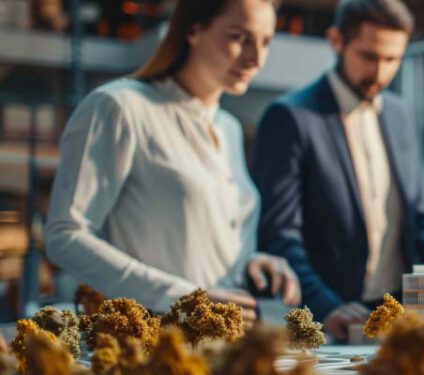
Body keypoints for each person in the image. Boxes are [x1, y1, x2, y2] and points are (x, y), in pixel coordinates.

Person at [45, 0, 300, 323]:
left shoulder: (229, 128)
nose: (257, 58)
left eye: (265, 41)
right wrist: (179, 298)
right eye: (239, 37)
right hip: (151, 345)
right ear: (193, 31)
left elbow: (200, 240)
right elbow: (65, 235)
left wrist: (252, 262)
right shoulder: (120, 107)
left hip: (227, 342)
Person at [252, 0, 424, 342]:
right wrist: (327, 307)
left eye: (392, 60)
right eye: (368, 56)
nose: (379, 73)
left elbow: (419, 225)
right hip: (326, 321)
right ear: (336, 41)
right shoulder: (290, 117)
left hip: (400, 315)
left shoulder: (399, 115)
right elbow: (280, 236)